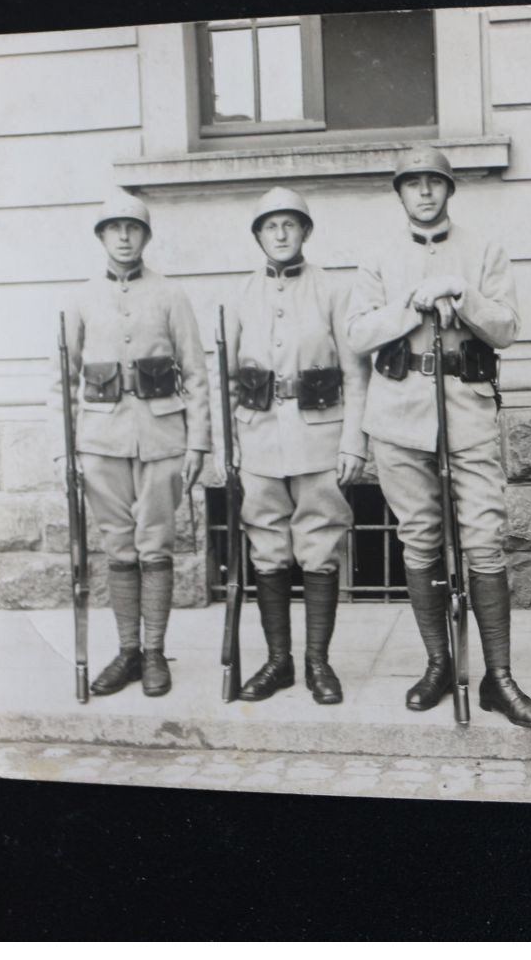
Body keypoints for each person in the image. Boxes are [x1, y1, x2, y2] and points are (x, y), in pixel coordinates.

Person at [345, 146, 531, 729]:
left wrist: (466, 295)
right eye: (413, 185)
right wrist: (409, 309)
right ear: (401, 193)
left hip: (467, 410)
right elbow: (358, 333)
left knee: (485, 540)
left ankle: (499, 677)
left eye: (434, 183)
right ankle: (439, 662)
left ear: (449, 190)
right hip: (400, 413)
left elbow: (508, 329)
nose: (425, 193)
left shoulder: (483, 250)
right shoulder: (378, 257)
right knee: (420, 540)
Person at [60, 190, 210, 698]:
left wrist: (199, 445)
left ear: (146, 236)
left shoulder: (171, 295)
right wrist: (65, 450)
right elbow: (61, 380)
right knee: (118, 548)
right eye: (114, 228)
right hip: (100, 442)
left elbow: (196, 373)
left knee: (156, 546)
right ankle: (126, 650)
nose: (124, 237)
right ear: (101, 237)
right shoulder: (79, 299)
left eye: (133, 228)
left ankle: (153, 653)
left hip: (163, 437)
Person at [224, 187, 368, 703]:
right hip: (258, 435)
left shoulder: (333, 291)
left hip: (320, 434)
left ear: (305, 232)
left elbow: (356, 373)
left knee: (321, 545)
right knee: (267, 546)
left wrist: (353, 442)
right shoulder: (240, 294)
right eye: (270, 226)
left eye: (290, 224)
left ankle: (317, 664)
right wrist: (230, 445)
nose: (281, 234)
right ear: (258, 235)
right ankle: (278, 662)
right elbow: (226, 378)